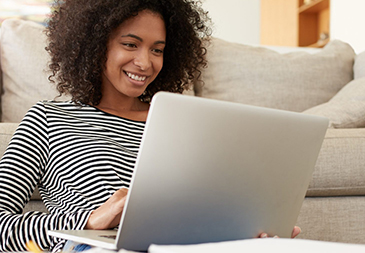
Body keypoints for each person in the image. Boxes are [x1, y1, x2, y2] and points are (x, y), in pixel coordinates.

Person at [0, 0, 299, 252]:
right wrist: (89, 219)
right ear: (93, 44)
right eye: (130, 44)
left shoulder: (184, 125)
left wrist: (248, 235)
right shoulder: (48, 119)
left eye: (157, 50)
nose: (145, 63)